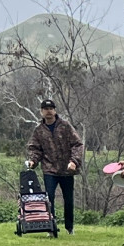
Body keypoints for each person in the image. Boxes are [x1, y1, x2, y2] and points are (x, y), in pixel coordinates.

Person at [25, 97, 83, 235]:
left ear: (55, 110)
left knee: (68, 200)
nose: (49, 111)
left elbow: (77, 144)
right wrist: (33, 161)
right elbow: (35, 149)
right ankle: (50, 227)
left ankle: (69, 228)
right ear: (41, 112)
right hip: (49, 169)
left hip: (66, 169)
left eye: (51, 109)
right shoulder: (39, 130)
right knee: (48, 198)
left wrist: (74, 161)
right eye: (46, 109)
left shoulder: (65, 126)